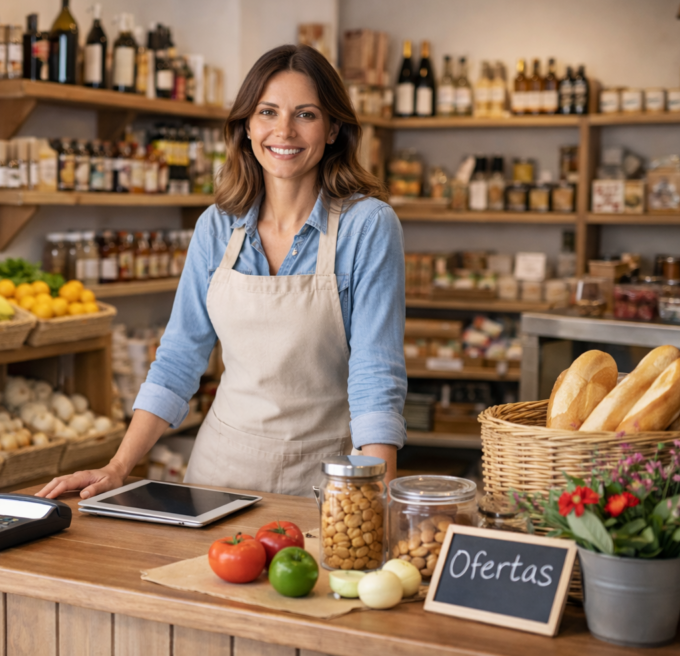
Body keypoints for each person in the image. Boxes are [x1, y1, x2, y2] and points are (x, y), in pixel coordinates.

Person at [37, 44, 407, 500]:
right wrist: (117, 468)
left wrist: (379, 492)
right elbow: (179, 358)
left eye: (305, 114)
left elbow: (375, 373)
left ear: (333, 128)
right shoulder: (216, 227)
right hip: (220, 475)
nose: (284, 130)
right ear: (248, 126)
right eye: (268, 112)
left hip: (325, 480)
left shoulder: (367, 225)